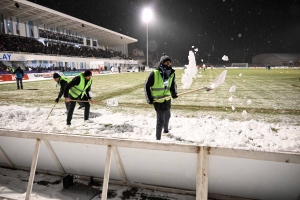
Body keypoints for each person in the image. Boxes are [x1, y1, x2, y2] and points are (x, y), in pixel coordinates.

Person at [144, 53, 178, 140]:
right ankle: (158, 139)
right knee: (160, 121)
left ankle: (166, 131)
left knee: (168, 116)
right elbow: (146, 86)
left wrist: (174, 93)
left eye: (169, 62)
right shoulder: (154, 73)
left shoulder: (172, 73)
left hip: (167, 99)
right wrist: (149, 98)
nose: (169, 64)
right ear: (162, 63)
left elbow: (173, 84)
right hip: (158, 101)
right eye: (166, 62)